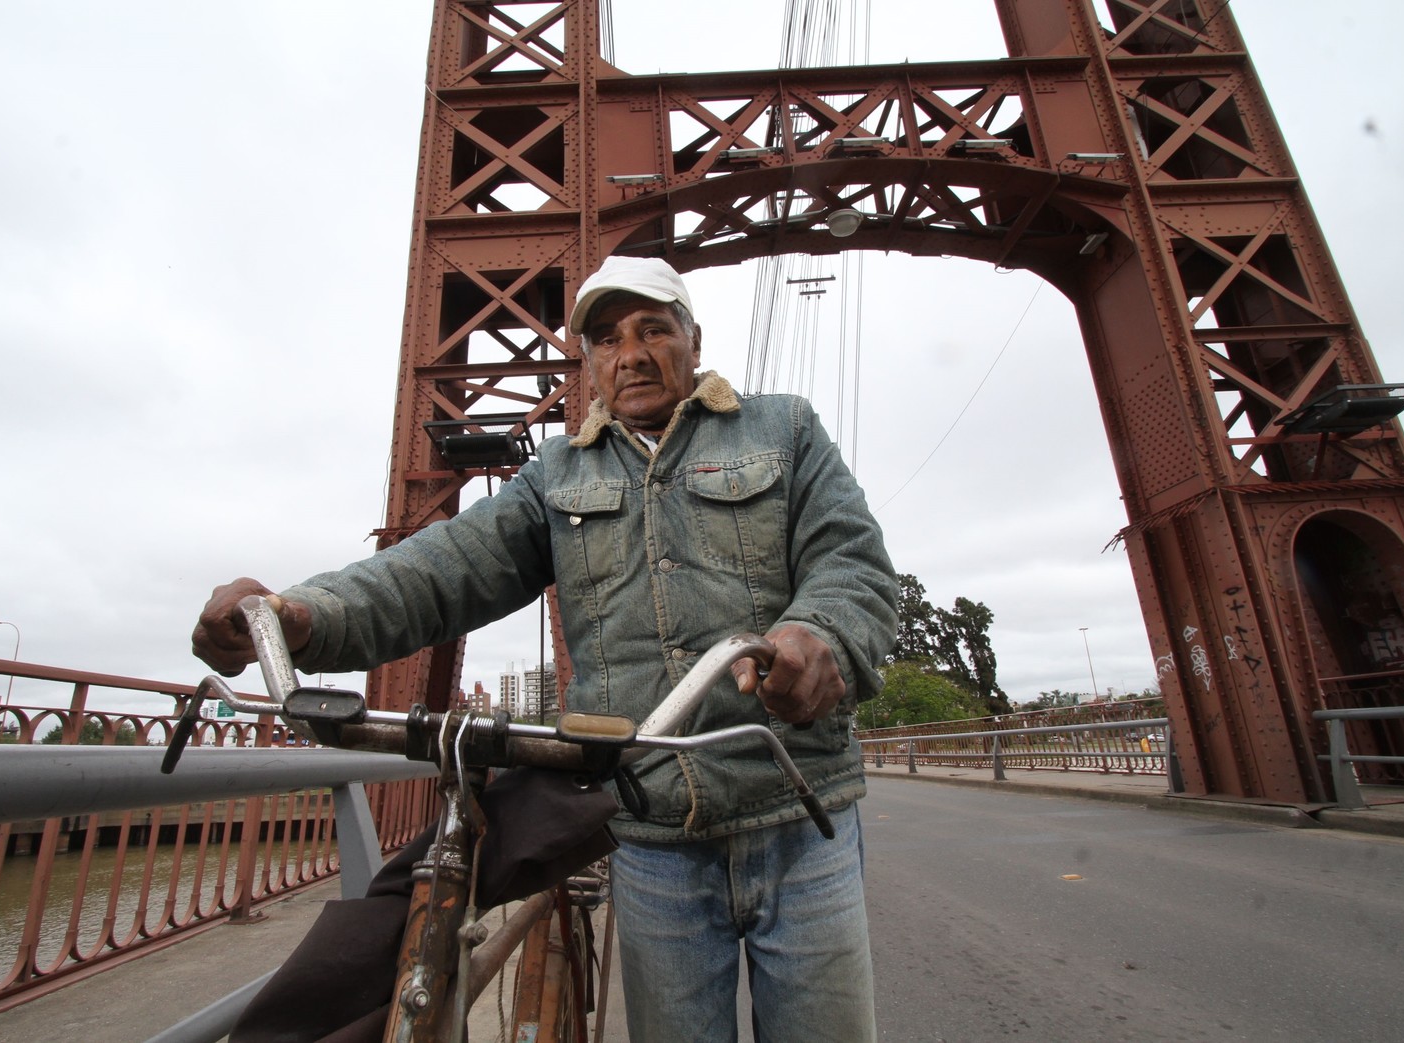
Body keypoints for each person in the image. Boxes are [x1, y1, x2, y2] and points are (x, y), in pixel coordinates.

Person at [192, 255, 899, 1042]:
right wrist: (299, 613)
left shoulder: (785, 429)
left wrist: (821, 633)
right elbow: (439, 571)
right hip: (652, 830)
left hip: (800, 814)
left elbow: (851, 563)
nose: (629, 353)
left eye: (652, 329)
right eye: (604, 339)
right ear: (589, 363)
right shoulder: (555, 475)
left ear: (693, 341)